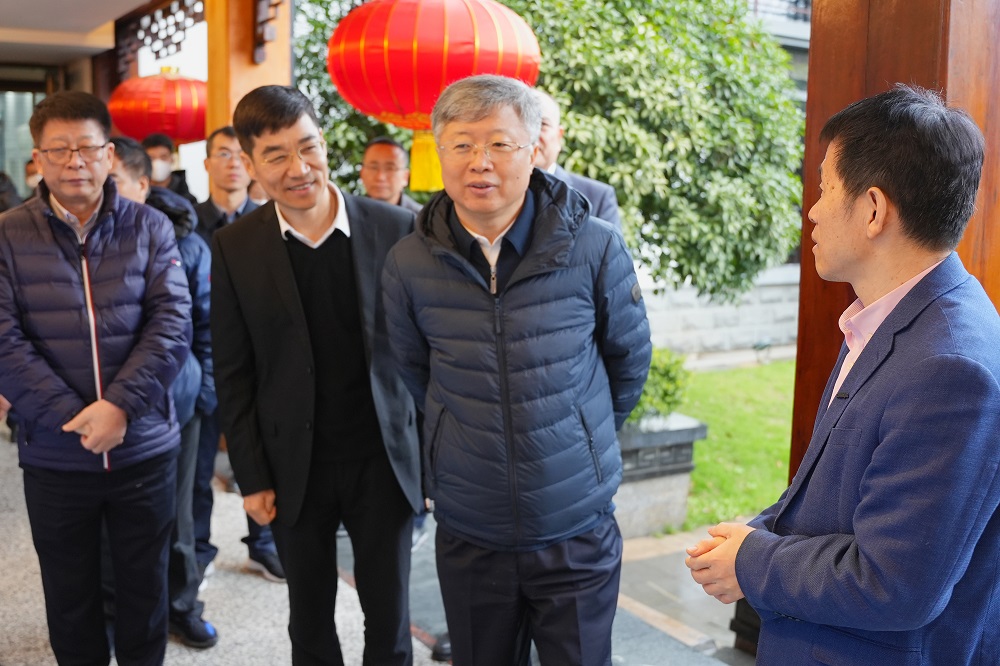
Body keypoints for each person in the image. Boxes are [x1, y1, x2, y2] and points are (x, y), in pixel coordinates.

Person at [685, 85, 1000, 665]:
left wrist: (752, 560)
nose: (812, 210)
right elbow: (836, 497)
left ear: (873, 210)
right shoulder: (889, 316)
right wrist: (752, 535)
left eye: (826, 188)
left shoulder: (950, 368)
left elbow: (895, 582)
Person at [382, 74, 652, 665]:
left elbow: (628, 361)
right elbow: (415, 370)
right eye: (462, 144)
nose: (480, 162)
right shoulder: (408, 261)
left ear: (533, 151)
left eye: (500, 144)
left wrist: (578, 434)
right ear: (439, 152)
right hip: (471, 523)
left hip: (574, 523)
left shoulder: (595, 246)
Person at [211, 85, 422, 664]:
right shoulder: (235, 246)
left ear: (324, 144)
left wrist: (430, 461)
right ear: (251, 164)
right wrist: (252, 476)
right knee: (309, 622)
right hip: (291, 465)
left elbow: (425, 353)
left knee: (390, 620)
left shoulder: (396, 227)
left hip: (382, 459)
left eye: (308, 147)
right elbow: (233, 369)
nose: (299, 168)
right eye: (276, 155)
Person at [0, 91, 191, 664]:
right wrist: (75, 418)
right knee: (69, 594)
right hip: (55, 452)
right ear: (38, 159)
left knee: (144, 589)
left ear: (109, 154)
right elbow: (4, 339)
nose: (74, 161)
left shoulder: (150, 226)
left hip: (143, 447)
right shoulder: (7, 234)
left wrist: (121, 408)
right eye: (59, 149)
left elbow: (172, 322)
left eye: (86, 147)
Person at [108, 136, 219, 649]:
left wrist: (205, 393)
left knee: (178, 513)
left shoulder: (186, 242)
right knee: (108, 516)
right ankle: (112, 611)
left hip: (177, 402)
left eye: (114, 183)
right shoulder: (86, 243)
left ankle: (181, 605)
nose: (103, 192)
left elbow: (207, 327)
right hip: (108, 403)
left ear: (142, 184)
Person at [192, 125, 284, 585]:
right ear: (207, 163)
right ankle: (198, 548)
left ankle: (263, 546)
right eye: (222, 154)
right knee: (197, 467)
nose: (231, 163)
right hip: (204, 364)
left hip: (256, 366)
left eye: (238, 155)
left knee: (260, 459)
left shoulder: (270, 223)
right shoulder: (188, 222)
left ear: (249, 165)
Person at [531, 88, 621, 228]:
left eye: (543, 124)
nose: (533, 134)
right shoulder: (496, 190)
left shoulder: (597, 198)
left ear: (559, 136)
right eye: (525, 124)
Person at [359, 136, 422, 214]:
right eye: (373, 167)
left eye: (390, 168)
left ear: (405, 177)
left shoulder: (422, 217)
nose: (380, 177)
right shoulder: (349, 214)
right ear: (361, 173)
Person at [142, 132, 198, 206]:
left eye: (163, 157)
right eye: (151, 158)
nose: (158, 163)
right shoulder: (136, 198)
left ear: (172, 159)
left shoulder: (188, 201)